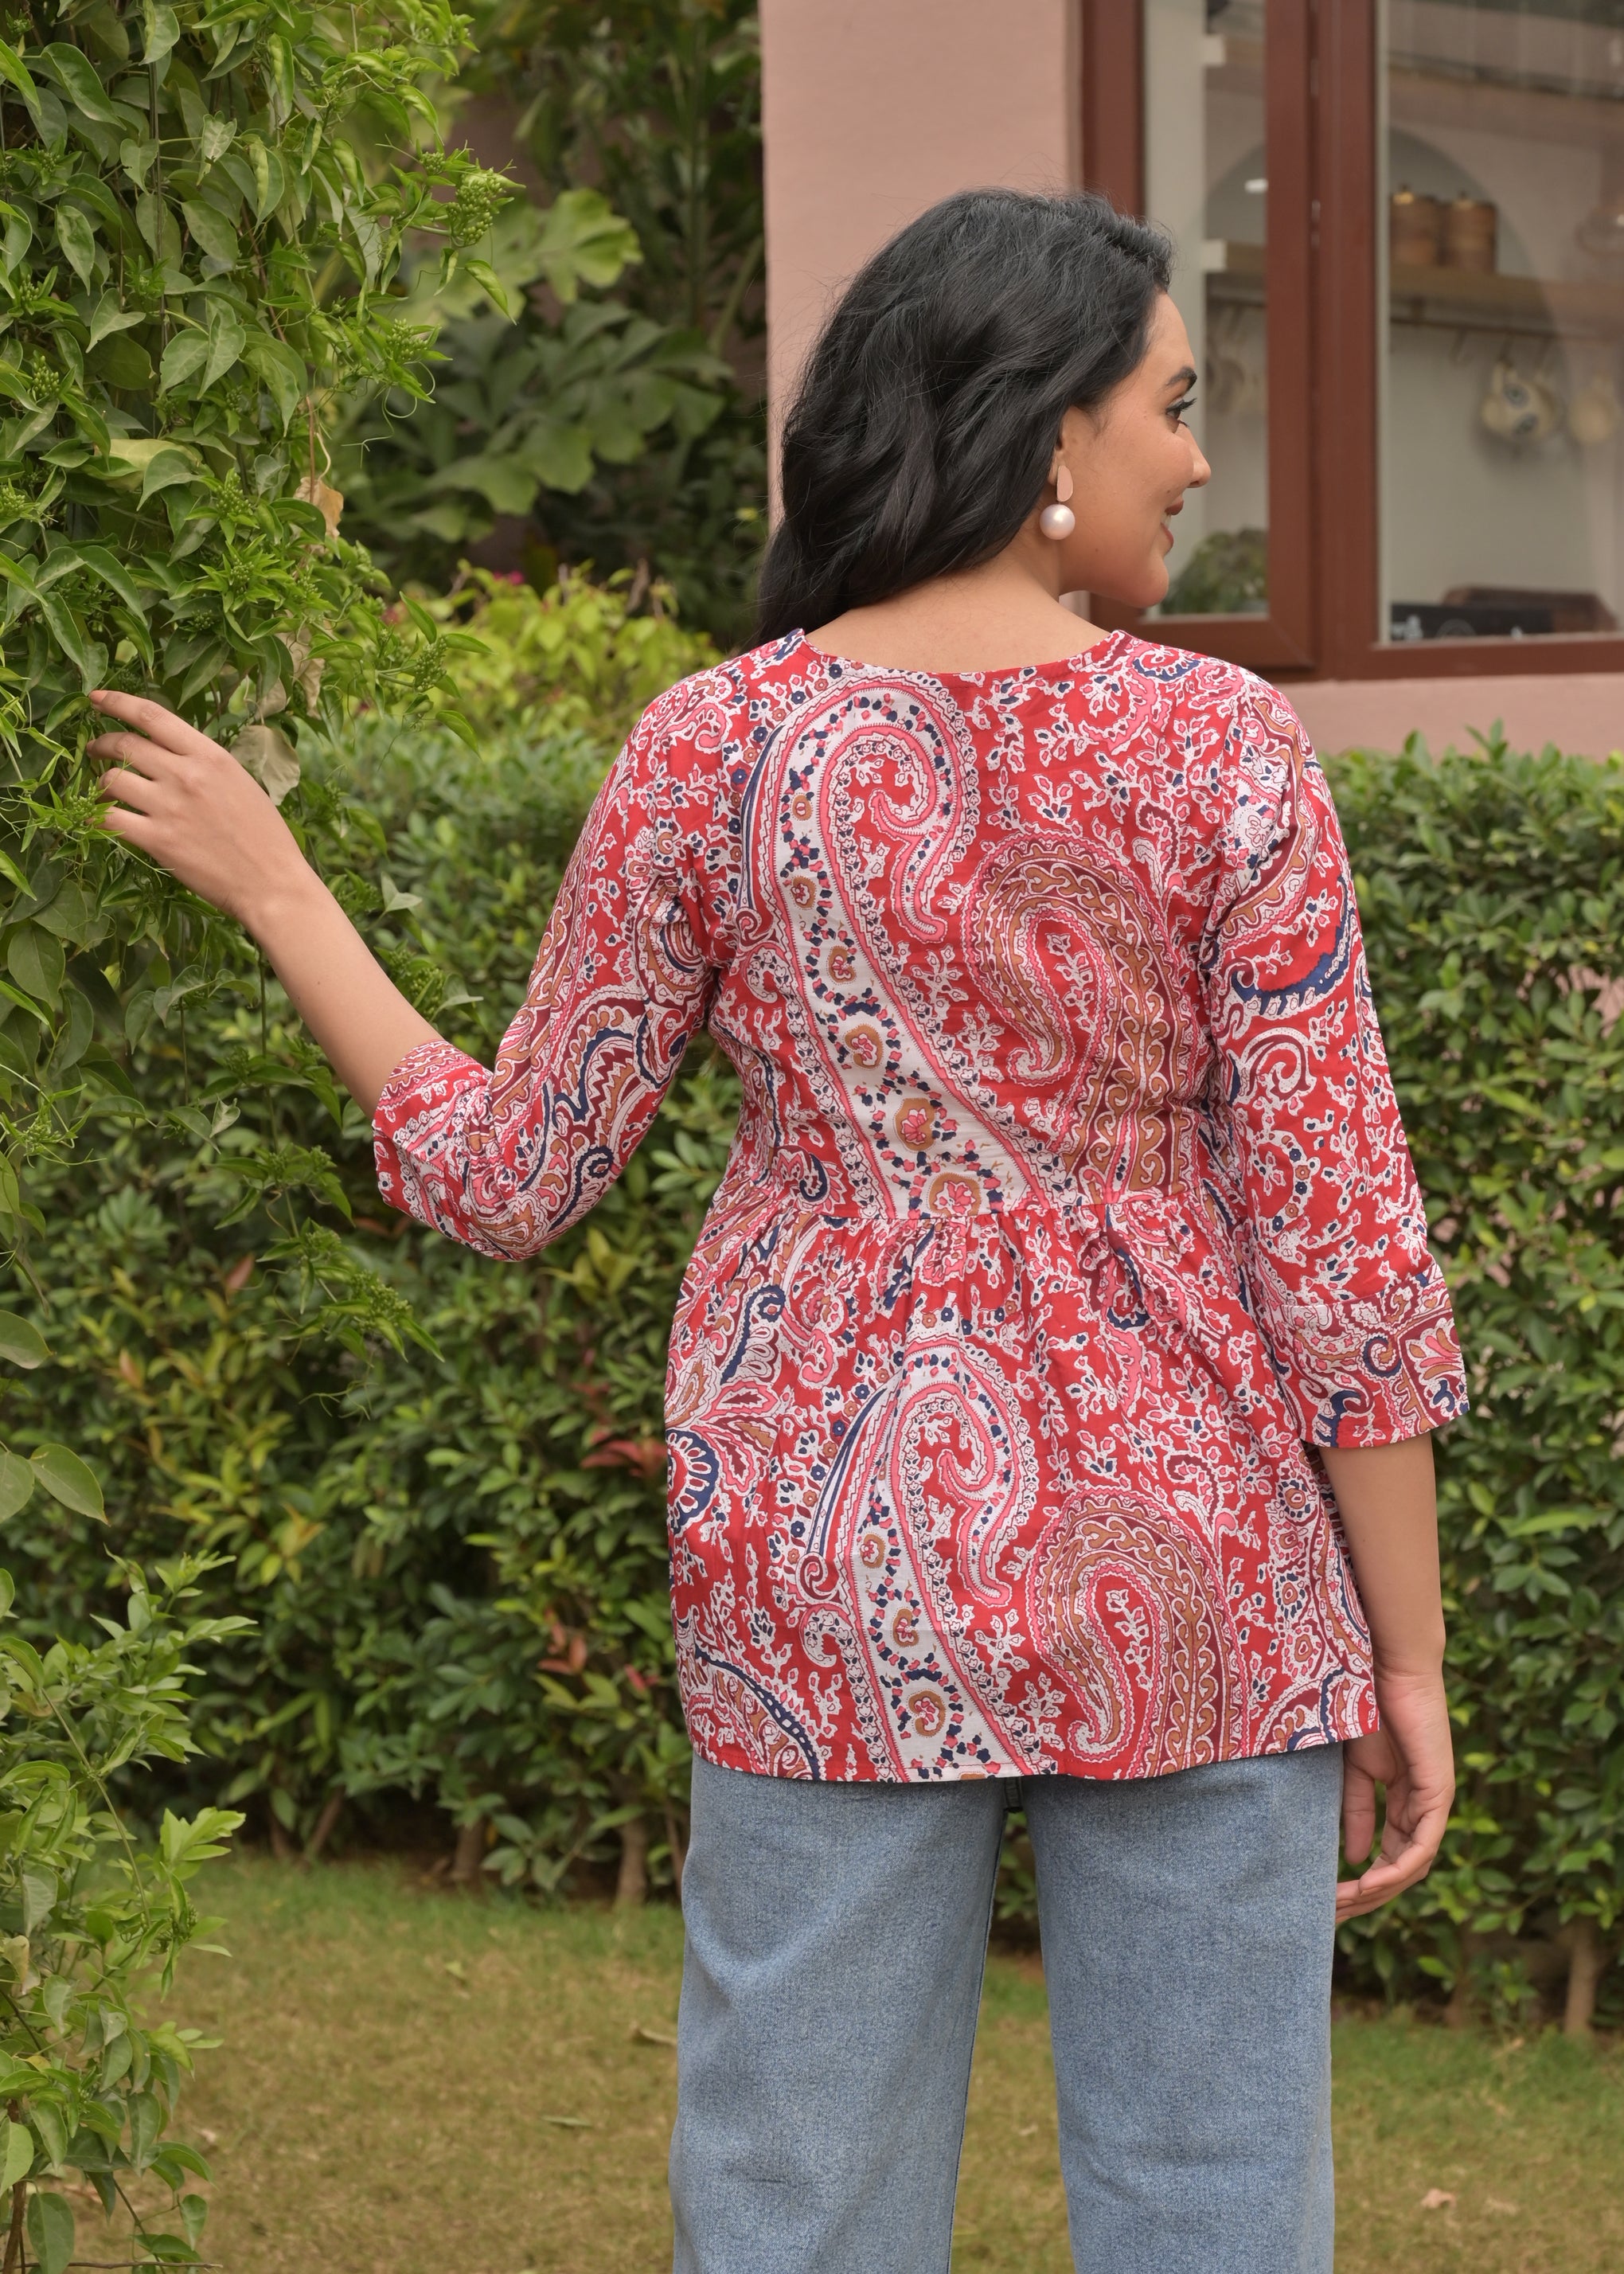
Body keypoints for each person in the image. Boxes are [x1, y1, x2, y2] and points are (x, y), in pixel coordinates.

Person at [89, 189, 1463, 2274]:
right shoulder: (1226, 749)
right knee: (1217, 2212)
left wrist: (284, 892)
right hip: (1200, 1570)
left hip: (828, 1558)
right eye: (1175, 408)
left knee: (795, 2218)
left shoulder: (713, 749)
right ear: (1048, 432)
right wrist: (1408, 1650)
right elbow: (1343, 1250)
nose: (1198, 460)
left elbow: (513, 1170)